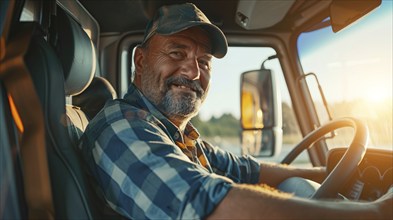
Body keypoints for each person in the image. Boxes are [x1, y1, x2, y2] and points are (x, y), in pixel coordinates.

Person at [80, 3, 392, 219]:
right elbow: (208, 207)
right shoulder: (120, 127)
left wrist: (327, 173)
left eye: (204, 62)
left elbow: (247, 170)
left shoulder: (178, 137)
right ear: (140, 61)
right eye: (177, 52)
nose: (193, 72)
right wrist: (378, 213)